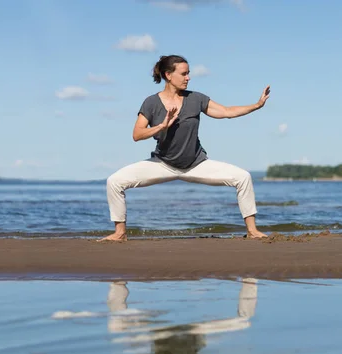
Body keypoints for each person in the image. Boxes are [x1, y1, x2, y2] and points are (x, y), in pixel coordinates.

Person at [99, 55, 270, 242]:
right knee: (114, 182)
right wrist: (161, 126)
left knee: (243, 177)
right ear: (168, 75)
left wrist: (256, 105)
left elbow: (226, 111)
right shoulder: (151, 103)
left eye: (188, 73)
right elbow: (137, 134)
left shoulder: (195, 99)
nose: (188, 77)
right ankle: (120, 233)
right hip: (162, 164)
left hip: (196, 164)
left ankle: (252, 230)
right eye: (184, 74)